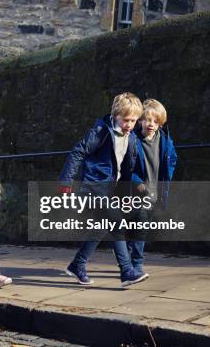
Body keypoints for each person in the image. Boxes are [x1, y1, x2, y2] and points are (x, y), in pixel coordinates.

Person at [59, 92, 147, 287]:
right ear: (115, 115)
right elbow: (78, 152)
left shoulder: (131, 139)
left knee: (100, 227)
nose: (129, 125)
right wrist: (66, 181)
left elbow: (126, 171)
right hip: (93, 187)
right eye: (126, 120)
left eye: (133, 121)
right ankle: (126, 271)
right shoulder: (101, 131)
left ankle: (77, 265)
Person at [129, 99, 178, 278]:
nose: (151, 124)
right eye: (148, 119)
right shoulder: (133, 140)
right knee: (140, 226)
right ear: (140, 120)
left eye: (156, 121)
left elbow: (172, 158)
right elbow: (126, 166)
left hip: (155, 192)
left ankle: (127, 254)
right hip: (136, 192)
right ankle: (137, 264)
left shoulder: (164, 140)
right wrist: (137, 182)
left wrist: (167, 176)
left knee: (140, 227)